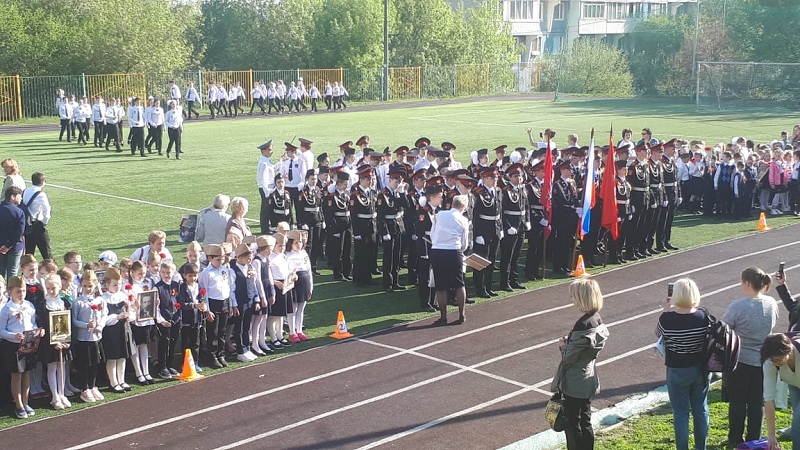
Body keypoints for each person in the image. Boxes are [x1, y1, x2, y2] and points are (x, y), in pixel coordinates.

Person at [722, 267, 779, 447]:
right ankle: (754, 438)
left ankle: (735, 438)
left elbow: (724, 329)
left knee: (737, 402)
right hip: (762, 360)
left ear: (746, 283)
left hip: (740, 360)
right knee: (756, 402)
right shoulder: (771, 303)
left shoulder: (737, 306)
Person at [552, 278, 609, 450]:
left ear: (582, 298)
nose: (572, 299)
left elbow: (569, 357)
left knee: (572, 423)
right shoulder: (596, 318)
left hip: (575, 380)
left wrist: (563, 346)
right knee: (585, 420)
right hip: (588, 376)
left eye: (574, 296)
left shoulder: (583, 325)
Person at [657, 278, 710, 450]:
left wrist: (666, 311)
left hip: (677, 369)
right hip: (700, 368)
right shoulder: (704, 317)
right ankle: (700, 447)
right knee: (700, 409)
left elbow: (659, 334)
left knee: (681, 413)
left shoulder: (667, 319)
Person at [0, 276, 44, 419]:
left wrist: (38, 331)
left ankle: (26, 403)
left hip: (28, 344)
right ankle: (18, 405)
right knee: (17, 375)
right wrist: (14, 336)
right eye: (18, 291)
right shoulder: (7, 310)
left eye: (24, 291)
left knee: (27, 373)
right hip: (13, 346)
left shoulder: (29, 305)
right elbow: (1, 330)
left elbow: (33, 323)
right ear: (10, 292)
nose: (22, 294)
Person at [430, 194, 470, 326]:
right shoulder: (464, 220)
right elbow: (464, 243)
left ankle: (443, 317)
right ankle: (462, 314)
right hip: (454, 251)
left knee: (440, 285)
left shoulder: (440, 215)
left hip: (438, 250)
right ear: (462, 207)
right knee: (459, 283)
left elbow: (432, 234)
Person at [71, 271, 107, 403]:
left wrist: (100, 326)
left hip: (95, 337)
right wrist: (86, 325)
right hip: (83, 339)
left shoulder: (100, 300)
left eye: (90, 286)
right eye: (85, 286)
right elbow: (74, 320)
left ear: (95, 285)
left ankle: (92, 386)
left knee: (95, 363)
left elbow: (104, 315)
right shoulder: (78, 302)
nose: (87, 289)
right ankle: (84, 388)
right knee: (84, 364)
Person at [760, 334, 800, 450]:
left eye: (777, 360)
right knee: (797, 424)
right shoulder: (770, 362)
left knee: (797, 423)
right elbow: (769, 400)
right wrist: (771, 435)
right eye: (772, 360)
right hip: (794, 383)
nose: (774, 363)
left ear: (789, 350)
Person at [198, 243, 235, 369]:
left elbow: (228, 288)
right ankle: (212, 356)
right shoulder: (206, 273)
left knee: (222, 331)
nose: (221, 262)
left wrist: (230, 305)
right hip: (213, 304)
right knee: (213, 332)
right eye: (218, 259)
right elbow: (204, 293)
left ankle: (221, 354)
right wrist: (207, 310)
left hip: (224, 302)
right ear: (210, 258)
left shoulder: (225, 270)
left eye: (222, 259)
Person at [100, 268, 131, 393]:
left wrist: (128, 315)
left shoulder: (123, 296)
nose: (117, 287)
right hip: (111, 331)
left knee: (122, 356)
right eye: (114, 285)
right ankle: (113, 382)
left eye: (119, 284)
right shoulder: (104, 299)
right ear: (107, 284)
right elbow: (103, 319)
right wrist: (117, 317)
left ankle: (121, 380)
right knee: (112, 357)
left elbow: (129, 311)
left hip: (123, 329)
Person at [20, 172, 51, 260]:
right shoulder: (41, 194)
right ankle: (50, 267)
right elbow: (46, 210)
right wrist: (44, 222)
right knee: (46, 252)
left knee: (29, 252)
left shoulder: (26, 191)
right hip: (37, 224)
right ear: (43, 182)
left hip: (27, 224)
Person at [0, 186, 25, 280]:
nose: (21, 198)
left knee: (0, 272)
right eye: (19, 196)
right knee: (13, 273)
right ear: (12, 197)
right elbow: (19, 232)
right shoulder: (19, 212)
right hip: (15, 247)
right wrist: (8, 245)